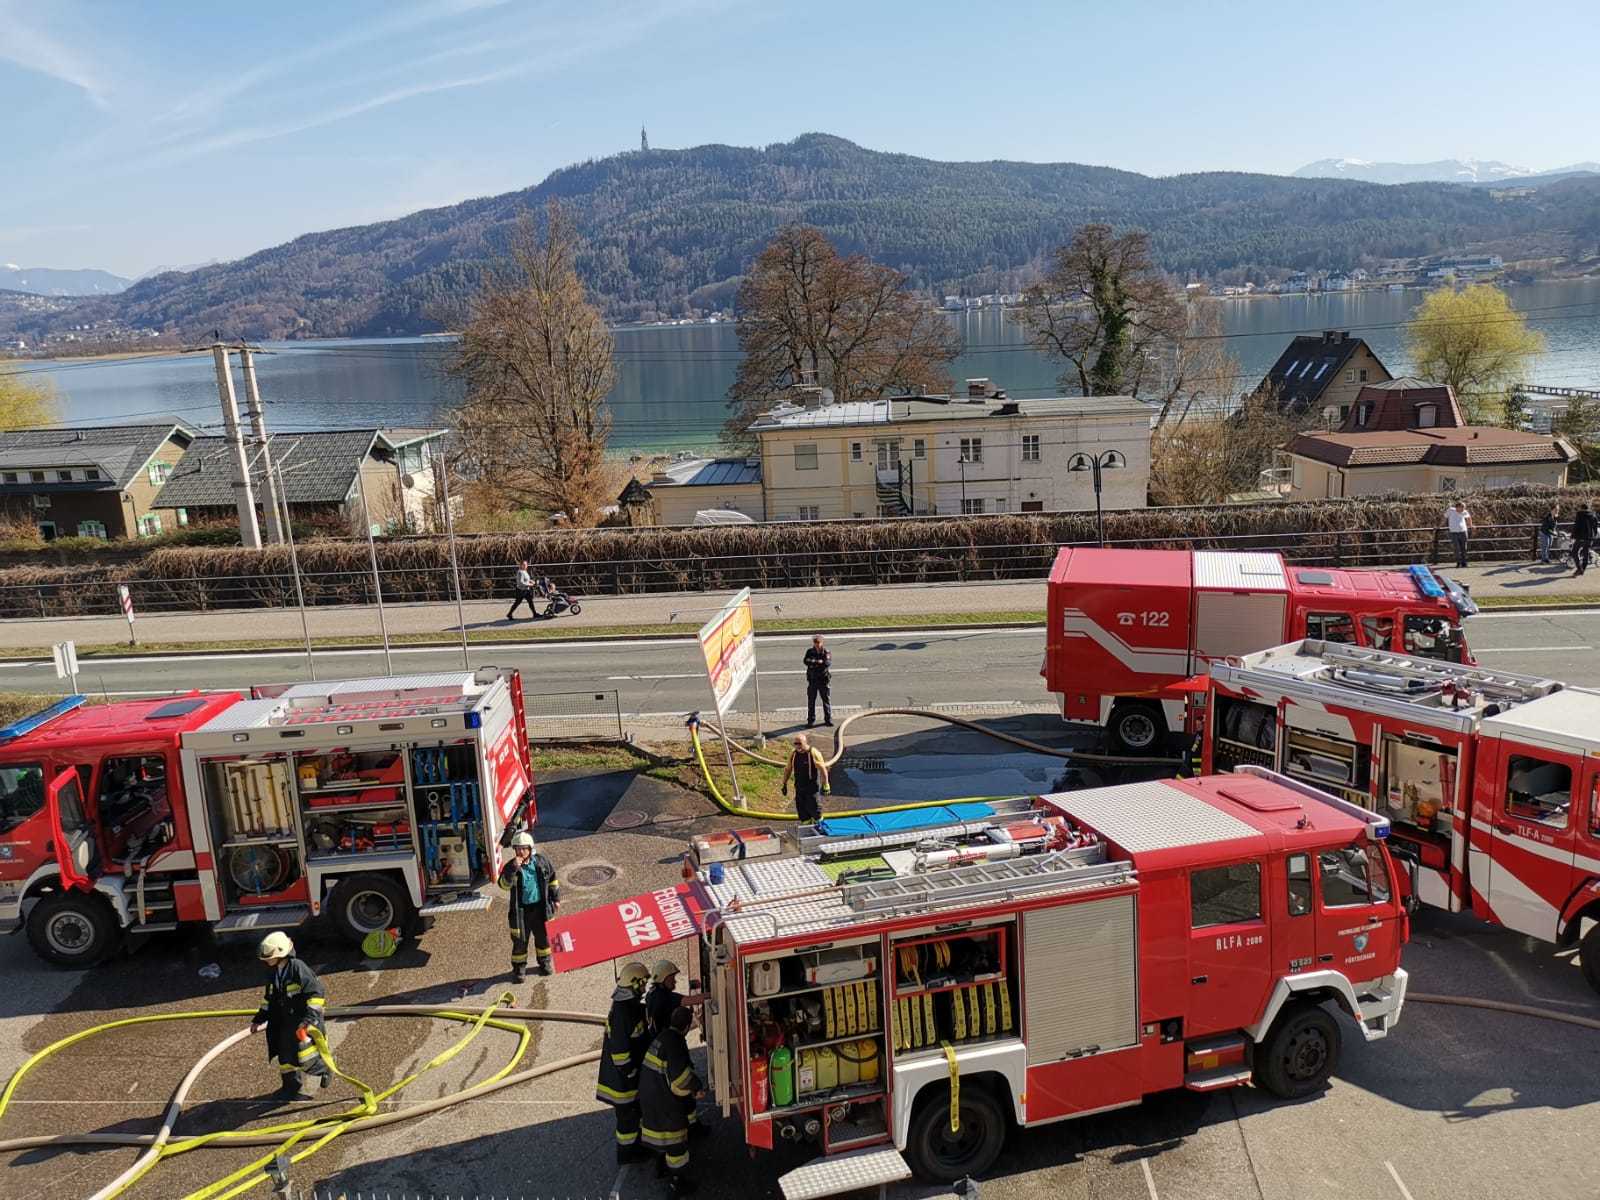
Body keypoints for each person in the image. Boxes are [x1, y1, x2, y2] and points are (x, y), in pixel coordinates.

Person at [250, 932, 331, 1099]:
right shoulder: (273, 972)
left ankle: (324, 1069)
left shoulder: (297, 968)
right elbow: (269, 998)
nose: (266, 961)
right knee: (285, 1056)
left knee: (306, 1055)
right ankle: (290, 1087)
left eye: (269, 957)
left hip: (302, 1020)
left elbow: (316, 994)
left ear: (281, 954)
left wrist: (309, 1020)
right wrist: (259, 1019)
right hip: (283, 1021)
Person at [639, 1006, 704, 1194]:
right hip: (664, 1101)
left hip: (649, 1095)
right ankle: (678, 1183)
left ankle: (661, 1168)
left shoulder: (663, 1037)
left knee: (658, 1135)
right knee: (676, 1143)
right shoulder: (675, 1043)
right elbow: (681, 1078)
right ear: (687, 1027)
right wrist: (696, 1087)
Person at [597, 961, 652, 1166]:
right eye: (643, 984)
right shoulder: (622, 1014)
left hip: (626, 1079)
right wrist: (633, 1075)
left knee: (634, 1114)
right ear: (634, 984)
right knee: (628, 1120)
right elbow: (620, 1055)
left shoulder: (629, 1007)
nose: (644, 988)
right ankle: (627, 1154)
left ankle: (636, 1147)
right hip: (622, 1083)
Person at [497, 831, 559, 980]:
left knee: (543, 939)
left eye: (524, 848)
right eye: (517, 849)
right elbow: (503, 885)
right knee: (520, 941)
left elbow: (553, 879)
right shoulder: (511, 866)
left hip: (540, 909)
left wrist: (556, 899)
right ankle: (519, 969)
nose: (520, 852)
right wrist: (512, 869)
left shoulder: (541, 862)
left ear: (530, 849)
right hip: (521, 913)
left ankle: (544, 963)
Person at [780, 732, 830, 824]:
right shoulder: (794, 754)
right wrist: (784, 784)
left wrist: (826, 784)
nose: (797, 746)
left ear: (805, 742)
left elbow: (823, 769)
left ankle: (820, 827)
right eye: (795, 744)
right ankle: (806, 827)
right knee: (802, 812)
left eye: (800, 743)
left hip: (811, 787)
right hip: (799, 787)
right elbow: (788, 769)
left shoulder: (813, 753)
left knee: (815, 810)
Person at [802, 634, 833, 727]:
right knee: (811, 701)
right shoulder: (810, 651)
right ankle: (811, 720)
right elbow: (805, 661)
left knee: (826, 700)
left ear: (822, 642)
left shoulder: (826, 652)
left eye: (818, 642)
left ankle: (828, 719)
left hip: (823, 680)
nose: (817, 644)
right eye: (815, 642)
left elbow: (826, 663)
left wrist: (813, 663)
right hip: (813, 680)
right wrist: (817, 662)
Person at [1444, 501, 1473, 569]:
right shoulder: (1451, 510)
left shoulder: (1464, 511)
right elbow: (1444, 517)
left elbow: (1469, 518)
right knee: (1456, 548)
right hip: (1454, 532)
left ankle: (1464, 562)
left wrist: (1471, 525)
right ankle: (1458, 562)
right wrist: (1439, 526)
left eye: (1464, 508)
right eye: (1462, 508)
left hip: (1463, 531)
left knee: (1464, 548)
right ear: (1458, 507)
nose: (1463, 509)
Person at [1573, 502, 1598, 577]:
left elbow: (1576, 526)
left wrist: (1573, 535)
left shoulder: (1579, 514)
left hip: (1580, 537)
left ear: (1581, 508)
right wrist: (1594, 535)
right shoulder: (1593, 515)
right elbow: (1595, 526)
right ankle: (1582, 569)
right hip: (1589, 538)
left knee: (1574, 552)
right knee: (1585, 553)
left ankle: (1579, 568)